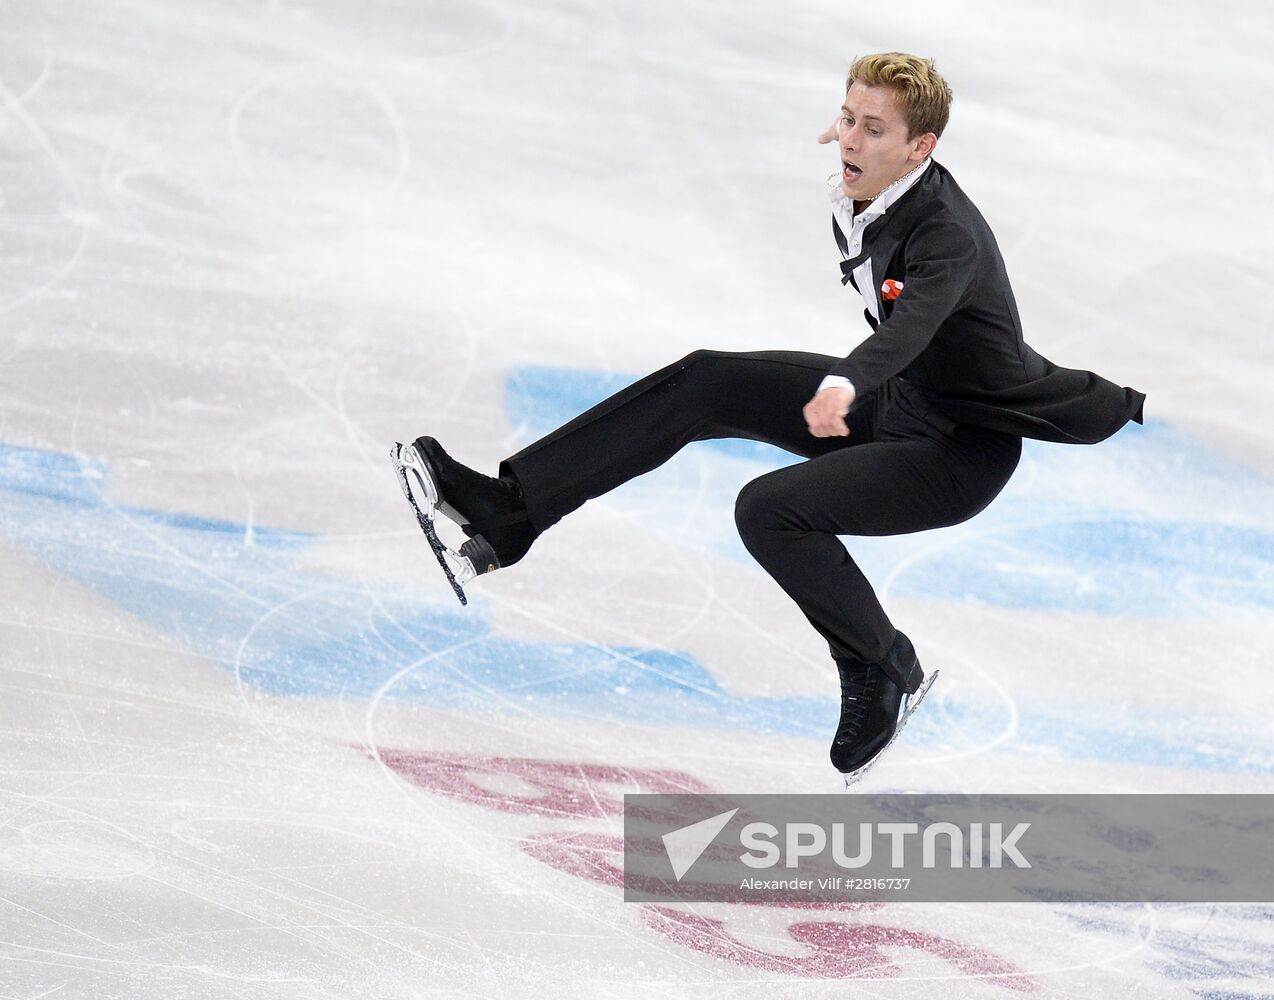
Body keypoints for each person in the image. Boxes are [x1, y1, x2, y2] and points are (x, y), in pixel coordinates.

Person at [392, 52, 1145, 781]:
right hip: (901, 402)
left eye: (874, 130)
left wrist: (847, 384)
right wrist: (862, 375)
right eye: (846, 119)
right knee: (707, 380)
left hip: (959, 452)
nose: (850, 139)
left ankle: (882, 665)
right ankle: (512, 510)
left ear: (923, 148)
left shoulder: (947, 234)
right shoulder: (871, 195)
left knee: (769, 510)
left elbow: (915, 323)